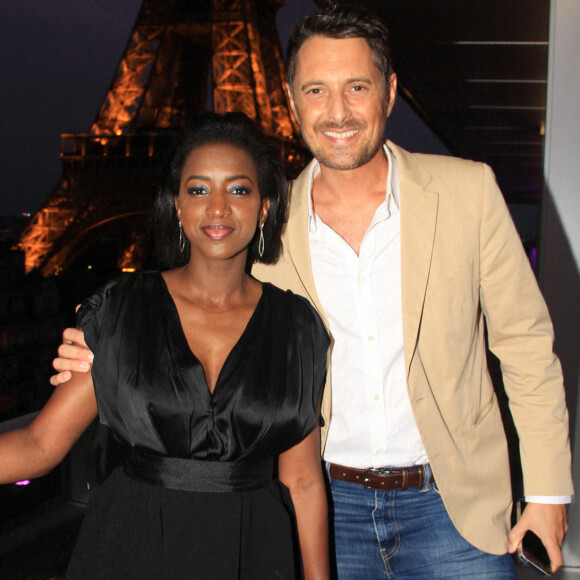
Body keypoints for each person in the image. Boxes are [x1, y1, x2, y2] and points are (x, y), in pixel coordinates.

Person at [51, 6, 574, 579]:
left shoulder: (467, 191)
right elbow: (193, 308)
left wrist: (548, 493)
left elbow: (525, 344)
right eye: (317, 90)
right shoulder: (262, 228)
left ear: (390, 91)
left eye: (357, 87)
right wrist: (103, 336)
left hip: (453, 506)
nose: (338, 112)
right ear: (292, 99)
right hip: (324, 503)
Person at [2, 113, 330, 579]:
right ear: (177, 206)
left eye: (238, 189)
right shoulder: (120, 310)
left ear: (264, 207)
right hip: (134, 543)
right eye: (198, 189)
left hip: (252, 551)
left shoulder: (297, 326)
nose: (218, 207)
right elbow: (39, 444)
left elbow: (301, 480)